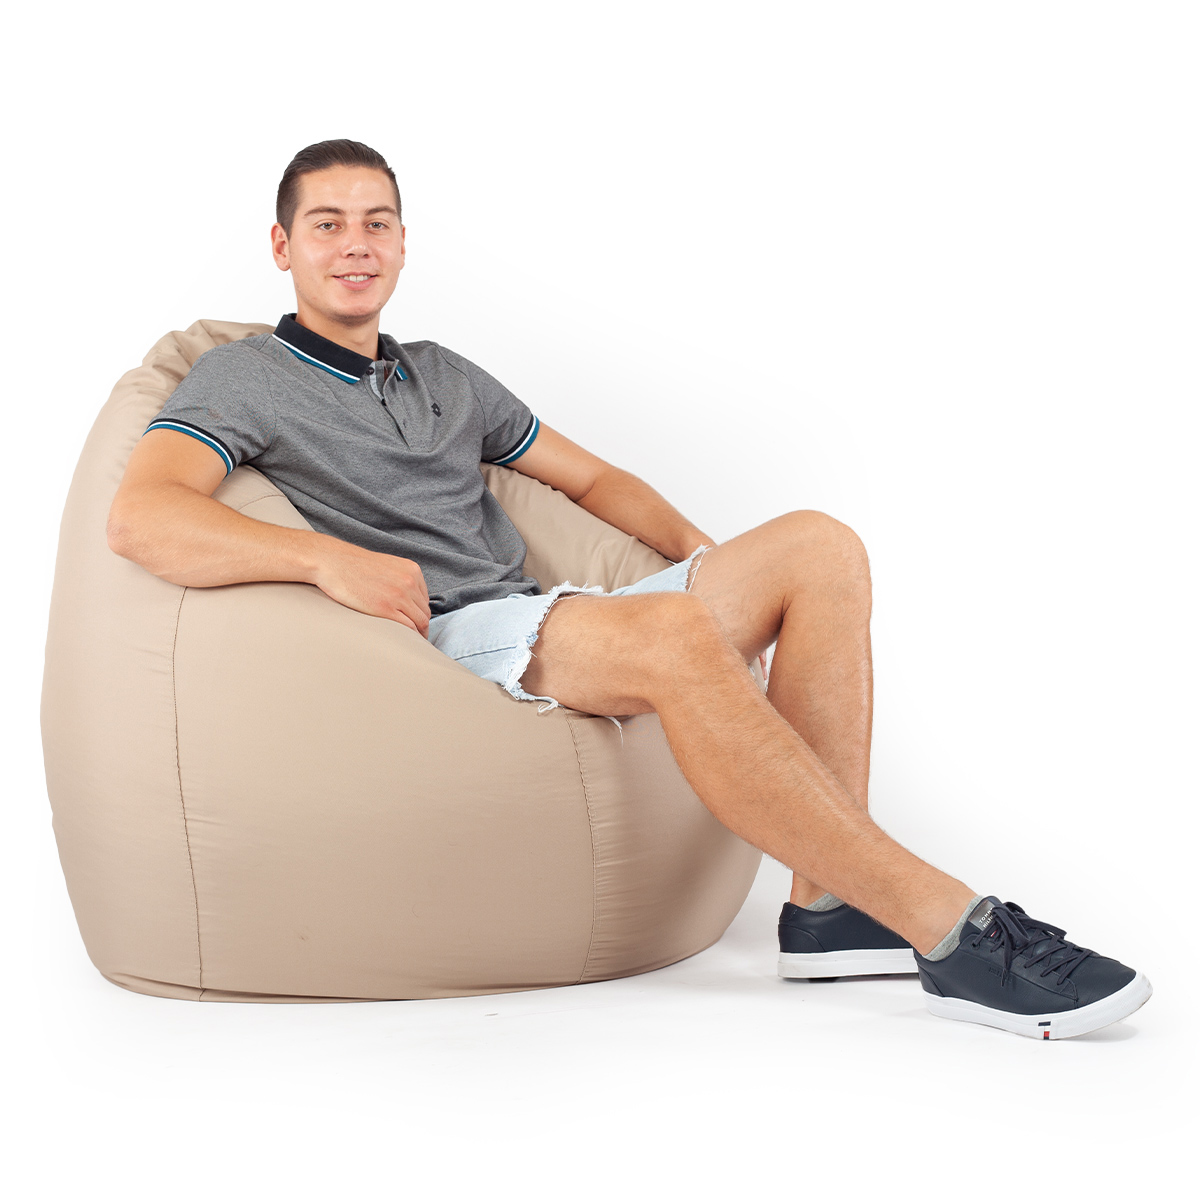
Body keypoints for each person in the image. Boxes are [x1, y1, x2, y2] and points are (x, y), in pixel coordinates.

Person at [107, 139, 1150, 1040]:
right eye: (327, 225)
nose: (355, 245)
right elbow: (142, 515)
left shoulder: (443, 373)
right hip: (446, 638)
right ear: (282, 246)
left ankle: (828, 910)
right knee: (673, 637)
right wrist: (324, 560)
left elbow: (595, 481)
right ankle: (954, 931)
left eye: (376, 223)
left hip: (541, 612)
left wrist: (706, 561)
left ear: (404, 243)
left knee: (820, 547)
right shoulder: (241, 376)